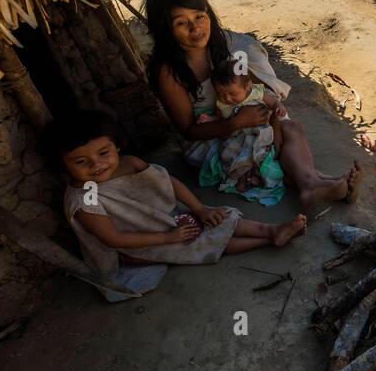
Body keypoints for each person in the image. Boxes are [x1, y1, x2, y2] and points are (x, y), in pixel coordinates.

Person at [144, 0, 360, 208]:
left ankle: (314, 183)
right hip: (212, 138)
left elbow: (250, 86)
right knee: (265, 150)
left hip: (245, 120)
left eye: (199, 16)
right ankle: (317, 183)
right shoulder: (168, 73)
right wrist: (235, 123)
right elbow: (188, 131)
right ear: (164, 29)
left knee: (291, 127)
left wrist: (269, 106)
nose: (195, 28)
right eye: (181, 23)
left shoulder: (223, 45)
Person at [48, 111, 306, 300]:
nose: (96, 165)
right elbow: (114, 239)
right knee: (198, 242)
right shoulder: (83, 201)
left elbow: (169, 183)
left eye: (103, 153)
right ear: (64, 166)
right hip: (134, 247)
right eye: (81, 162)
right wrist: (169, 236)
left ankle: (272, 230)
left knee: (220, 218)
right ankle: (268, 239)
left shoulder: (131, 164)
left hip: (162, 220)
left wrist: (200, 209)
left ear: (116, 146)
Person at [201, 59, 287, 203]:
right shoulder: (221, 103)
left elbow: (272, 102)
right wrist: (209, 119)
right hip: (238, 136)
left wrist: (279, 107)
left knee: (260, 155)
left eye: (233, 94)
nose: (227, 98)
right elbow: (220, 118)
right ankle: (241, 179)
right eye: (222, 94)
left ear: (247, 86)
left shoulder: (256, 92)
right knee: (233, 156)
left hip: (259, 133)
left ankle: (256, 176)